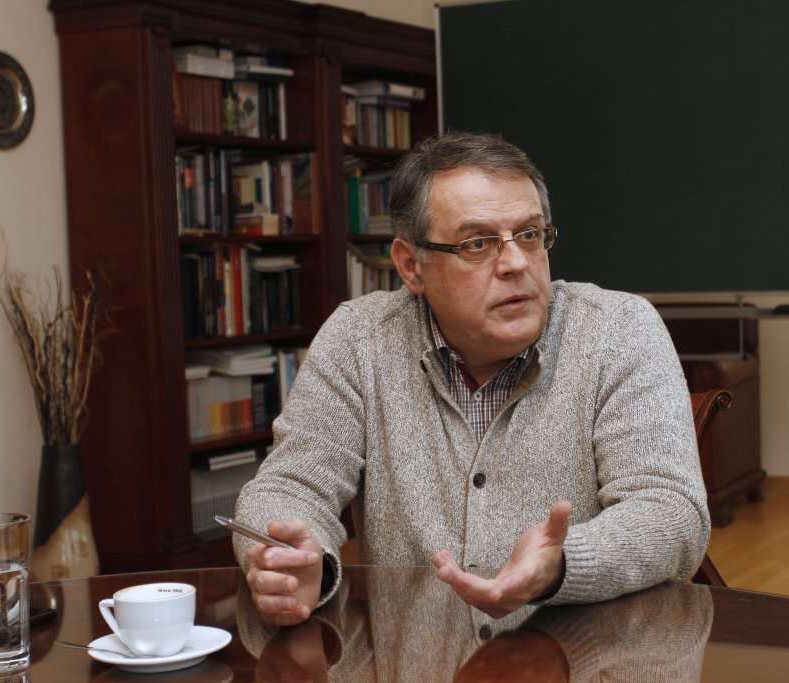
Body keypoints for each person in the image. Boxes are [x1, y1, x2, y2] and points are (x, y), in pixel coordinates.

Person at [233, 131, 710, 626]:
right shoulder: (359, 339)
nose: (516, 263)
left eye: (529, 235)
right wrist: (293, 556)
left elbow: (671, 511)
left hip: (588, 653)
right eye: (478, 243)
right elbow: (289, 486)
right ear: (410, 266)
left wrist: (564, 563)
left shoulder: (619, 330)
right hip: (417, 658)